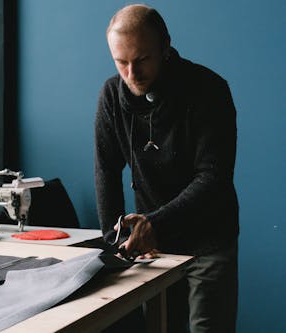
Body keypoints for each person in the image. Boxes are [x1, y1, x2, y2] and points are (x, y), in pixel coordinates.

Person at [94, 4, 239, 333]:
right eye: (121, 62)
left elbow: (213, 178)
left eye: (142, 59)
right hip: (153, 243)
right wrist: (113, 243)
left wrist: (153, 223)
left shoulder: (209, 89)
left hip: (209, 239)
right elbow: (106, 171)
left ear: (166, 47)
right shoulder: (110, 96)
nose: (132, 74)